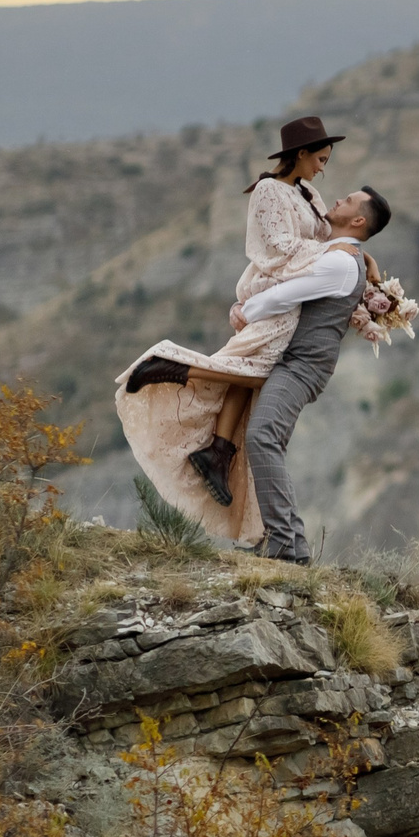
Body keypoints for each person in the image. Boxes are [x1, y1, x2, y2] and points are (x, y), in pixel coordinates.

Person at [111, 115, 343, 545]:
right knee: (264, 371)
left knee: (248, 374)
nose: (323, 168)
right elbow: (279, 250)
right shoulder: (270, 192)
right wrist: (337, 251)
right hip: (276, 294)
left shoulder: (309, 194)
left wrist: (351, 256)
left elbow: (329, 238)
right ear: (300, 154)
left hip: (293, 299)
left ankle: (218, 452)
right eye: (320, 159)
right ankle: (176, 365)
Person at [229, 184, 393, 563]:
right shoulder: (345, 255)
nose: (338, 199)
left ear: (357, 220)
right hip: (294, 360)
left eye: (348, 201)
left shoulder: (339, 262)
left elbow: (289, 293)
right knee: (265, 438)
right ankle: (286, 542)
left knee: (262, 435)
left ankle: (286, 543)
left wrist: (245, 311)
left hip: (303, 365)